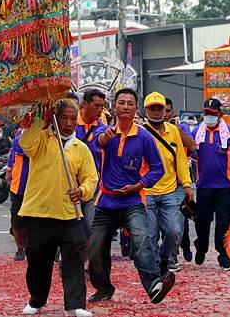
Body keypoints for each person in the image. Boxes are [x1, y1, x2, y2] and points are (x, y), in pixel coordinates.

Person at [88, 88, 175, 305]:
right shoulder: (104, 132)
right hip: (105, 202)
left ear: (136, 109)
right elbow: (92, 145)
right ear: (114, 107)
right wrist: (102, 140)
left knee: (142, 239)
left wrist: (138, 185)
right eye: (121, 102)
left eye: (130, 103)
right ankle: (104, 288)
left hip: (132, 202)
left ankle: (154, 285)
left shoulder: (144, 137)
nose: (125, 106)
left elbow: (158, 169)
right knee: (96, 249)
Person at [18, 98, 98, 317]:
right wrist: (39, 123)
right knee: (37, 260)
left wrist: (81, 191)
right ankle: (36, 299)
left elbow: (91, 178)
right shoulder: (41, 138)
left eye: (73, 119)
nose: (69, 123)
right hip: (38, 212)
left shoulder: (80, 148)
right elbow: (25, 146)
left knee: (74, 259)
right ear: (55, 118)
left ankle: (75, 304)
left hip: (69, 215)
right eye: (64, 118)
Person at [191, 98, 230, 271]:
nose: (209, 117)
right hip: (203, 187)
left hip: (225, 187)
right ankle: (201, 246)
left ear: (220, 114)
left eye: (212, 114)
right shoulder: (196, 132)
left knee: (223, 224)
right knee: (202, 221)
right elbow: (185, 151)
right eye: (206, 113)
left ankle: (224, 257)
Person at [142, 92, 192, 275]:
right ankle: (155, 266)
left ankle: (164, 258)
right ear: (146, 109)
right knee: (150, 233)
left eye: (159, 108)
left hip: (170, 190)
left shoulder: (173, 132)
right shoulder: (139, 131)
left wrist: (186, 184)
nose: (156, 111)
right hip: (146, 191)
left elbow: (181, 159)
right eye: (152, 108)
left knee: (173, 231)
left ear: (165, 110)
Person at [163, 96, 197, 267]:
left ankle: (171, 256)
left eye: (167, 110)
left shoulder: (181, 128)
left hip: (177, 184)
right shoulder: (147, 130)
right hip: (155, 185)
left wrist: (177, 130)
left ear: (172, 112)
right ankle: (163, 256)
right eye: (161, 110)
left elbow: (192, 147)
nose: (164, 114)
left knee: (176, 221)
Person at [75, 89, 106, 254]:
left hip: (93, 185)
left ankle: (88, 258)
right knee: (72, 224)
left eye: (102, 106)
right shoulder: (70, 123)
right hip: (70, 185)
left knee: (91, 223)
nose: (100, 110)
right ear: (84, 105)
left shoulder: (102, 129)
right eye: (97, 106)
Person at [6, 129, 29, 261]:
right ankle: (20, 248)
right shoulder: (19, 137)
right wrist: (9, 170)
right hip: (19, 184)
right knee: (16, 219)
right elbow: (13, 155)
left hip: (37, 185)